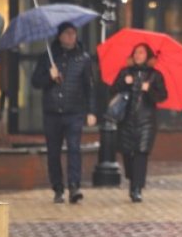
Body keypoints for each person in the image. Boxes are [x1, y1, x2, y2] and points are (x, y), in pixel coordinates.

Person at [31, 22, 97, 204]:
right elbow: (36, 82)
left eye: (73, 33)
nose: (71, 36)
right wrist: (50, 78)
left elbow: (89, 87)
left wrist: (91, 111)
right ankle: (58, 188)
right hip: (52, 112)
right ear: (59, 36)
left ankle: (74, 186)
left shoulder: (83, 59)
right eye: (67, 33)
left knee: (74, 149)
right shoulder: (48, 57)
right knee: (53, 152)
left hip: (74, 112)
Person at [110, 43, 168, 202]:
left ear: (148, 56)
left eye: (141, 53)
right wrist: (124, 82)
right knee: (128, 153)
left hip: (146, 121)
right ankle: (132, 178)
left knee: (141, 153)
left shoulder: (155, 75)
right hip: (127, 120)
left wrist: (149, 89)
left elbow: (162, 96)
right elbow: (112, 90)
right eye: (136, 52)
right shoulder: (125, 72)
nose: (138, 55)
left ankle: (137, 188)